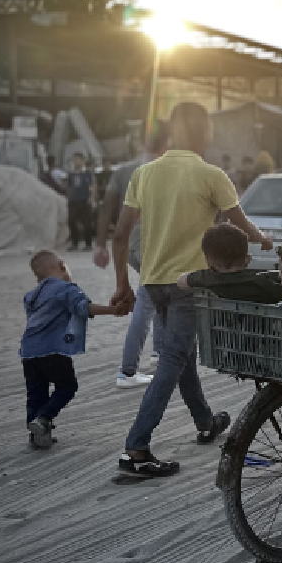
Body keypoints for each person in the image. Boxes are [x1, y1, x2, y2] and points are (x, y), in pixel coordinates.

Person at [111, 102, 273, 477]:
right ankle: (137, 448)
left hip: (153, 281)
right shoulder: (211, 174)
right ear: (206, 132)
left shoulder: (144, 174)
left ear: (170, 132)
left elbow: (120, 236)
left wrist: (123, 284)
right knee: (173, 359)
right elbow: (241, 224)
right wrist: (262, 240)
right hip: (190, 283)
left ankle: (205, 421)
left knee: (180, 354)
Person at [20, 251, 127, 449]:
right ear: (61, 266)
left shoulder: (31, 296)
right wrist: (113, 310)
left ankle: (37, 436)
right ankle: (44, 418)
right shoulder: (66, 289)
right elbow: (84, 308)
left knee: (36, 394)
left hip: (28, 353)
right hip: (53, 350)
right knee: (68, 387)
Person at [94, 131, 168, 389]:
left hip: (132, 245)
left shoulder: (124, 170)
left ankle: (158, 353)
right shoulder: (165, 169)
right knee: (149, 299)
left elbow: (106, 208)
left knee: (158, 296)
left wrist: (100, 244)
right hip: (154, 244)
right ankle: (129, 369)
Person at [176, 224, 282, 303]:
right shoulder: (263, 281)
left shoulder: (205, 278)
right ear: (247, 259)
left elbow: (181, 281)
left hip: (218, 333)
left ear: (208, 261)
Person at [66, 155, 95, 251]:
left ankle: (88, 244)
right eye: (75, 160)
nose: (76, 162)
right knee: (72, 221)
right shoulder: (71, 174)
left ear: (82, 162)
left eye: (78, 160)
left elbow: (91, 186)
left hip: (85, 200)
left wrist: (91, 197)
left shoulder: (87, 174)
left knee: (87, 223)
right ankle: (74, 243)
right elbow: (69, 187)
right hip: (73, 201)